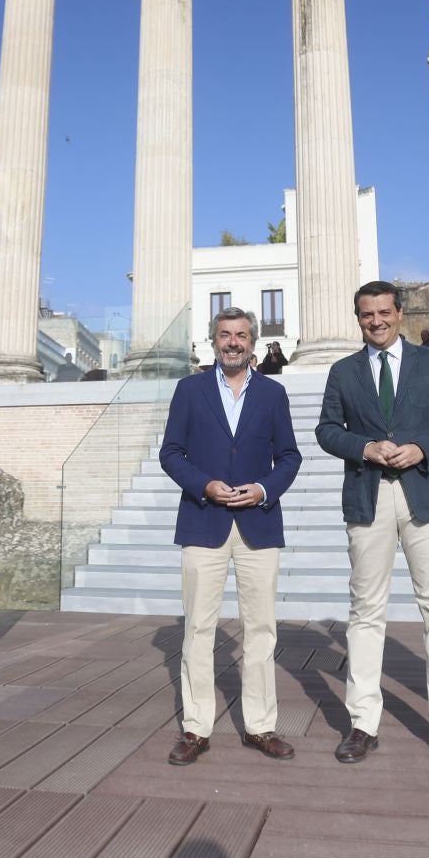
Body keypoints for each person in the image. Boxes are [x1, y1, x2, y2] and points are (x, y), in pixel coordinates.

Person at [315, 280, 429, 768]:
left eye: (384, 312)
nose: (376, 321)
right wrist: (364, 447)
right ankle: (363, 723)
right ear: (358, 319)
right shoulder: (343, 371)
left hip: (424, 492)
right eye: (367, 314)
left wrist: (422, 447)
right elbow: (326, 430)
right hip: (369, 496)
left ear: (400, 313)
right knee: (365, 611)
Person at [158, 305, 304, 765]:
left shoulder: (274, 393)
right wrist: (204, 485)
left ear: (253, 342)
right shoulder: (190, 390)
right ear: (214, 341)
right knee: (199, 628)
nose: (233, 342)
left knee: (260, 629)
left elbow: (290, 457)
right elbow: (171, 453)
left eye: (241, 335)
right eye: (225, 335)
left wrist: (263, 489)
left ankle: (260, 726)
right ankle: (196, 728)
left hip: (258, 523)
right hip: (204, 520)